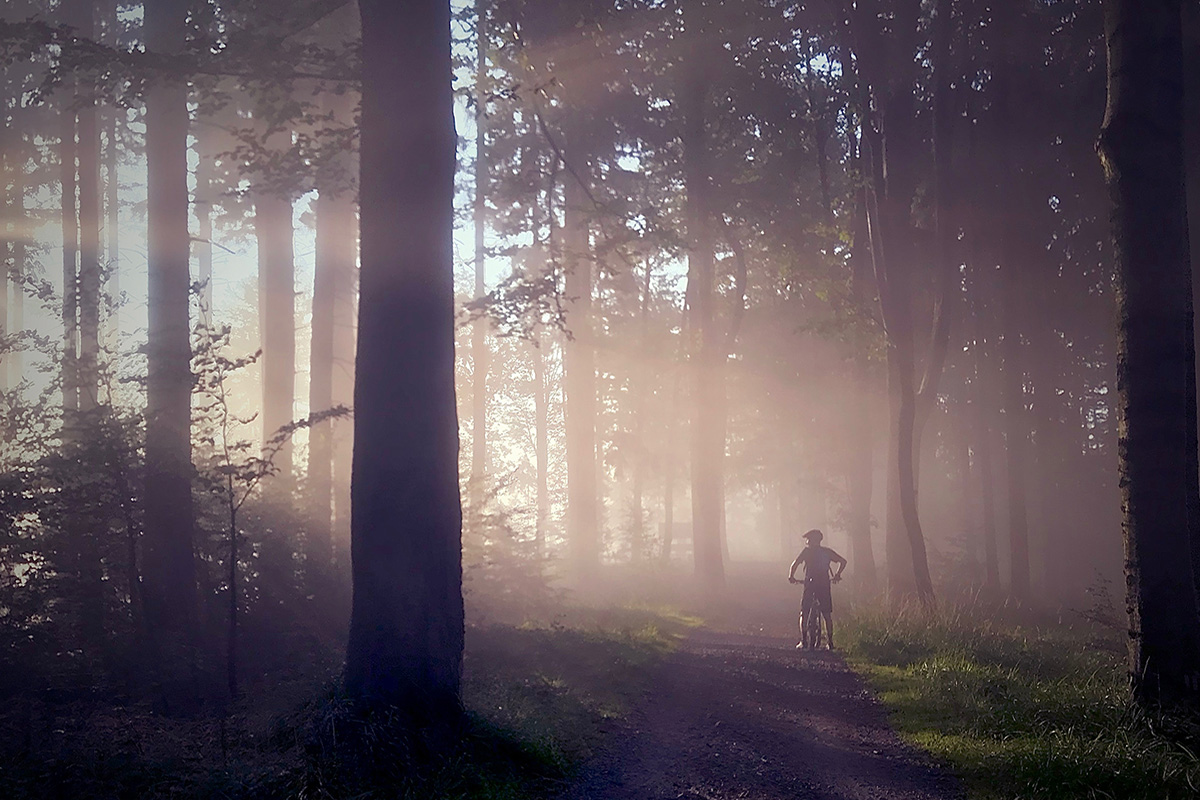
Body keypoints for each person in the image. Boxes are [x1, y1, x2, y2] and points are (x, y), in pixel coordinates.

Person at [788, 529, 847, 650]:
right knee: (826, 614)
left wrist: (791, 576)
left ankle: (803, 641)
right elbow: (843, 561)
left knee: (804, 612)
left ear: (812, 540)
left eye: (808, 539)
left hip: (810, 584)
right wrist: (837, 574)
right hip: (824, 584)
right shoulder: (827, 552)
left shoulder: (806, 552)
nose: (807, 542)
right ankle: (830, 642)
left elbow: (795, 564)